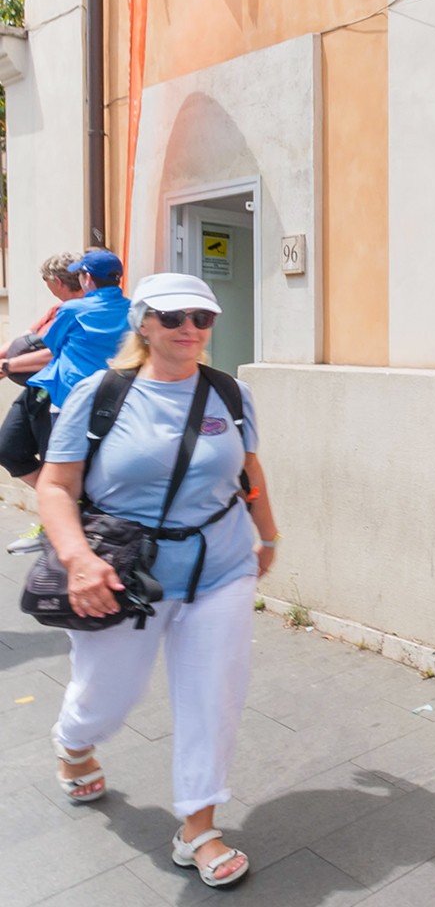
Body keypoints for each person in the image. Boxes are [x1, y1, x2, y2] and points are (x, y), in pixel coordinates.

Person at [37, 272, 279, 890]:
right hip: (123, 576)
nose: (190, 329)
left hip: (220, 569)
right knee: (107, 697)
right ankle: (74, 743)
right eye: (173, 318)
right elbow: (57, 488)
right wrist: (78, 560)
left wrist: (267, 535)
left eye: (202, 318)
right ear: (143, 323)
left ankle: (198, 826)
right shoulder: (101, 394)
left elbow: (249, 473)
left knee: (213, 695)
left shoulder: (230, 393)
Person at [2, 249, 132, 552]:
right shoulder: (132, 310)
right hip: (111, 401)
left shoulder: (72, 310)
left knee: (60, 473)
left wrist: (10, 365)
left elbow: (52, 346)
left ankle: (68, 537)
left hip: (67, 402)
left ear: (86, 279)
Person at [0, 252, 87, 387]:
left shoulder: (84, 314)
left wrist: (10, 365)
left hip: (62, 385)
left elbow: (57, 354)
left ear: (57, 281)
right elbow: (27, 335)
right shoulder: (58, 309)